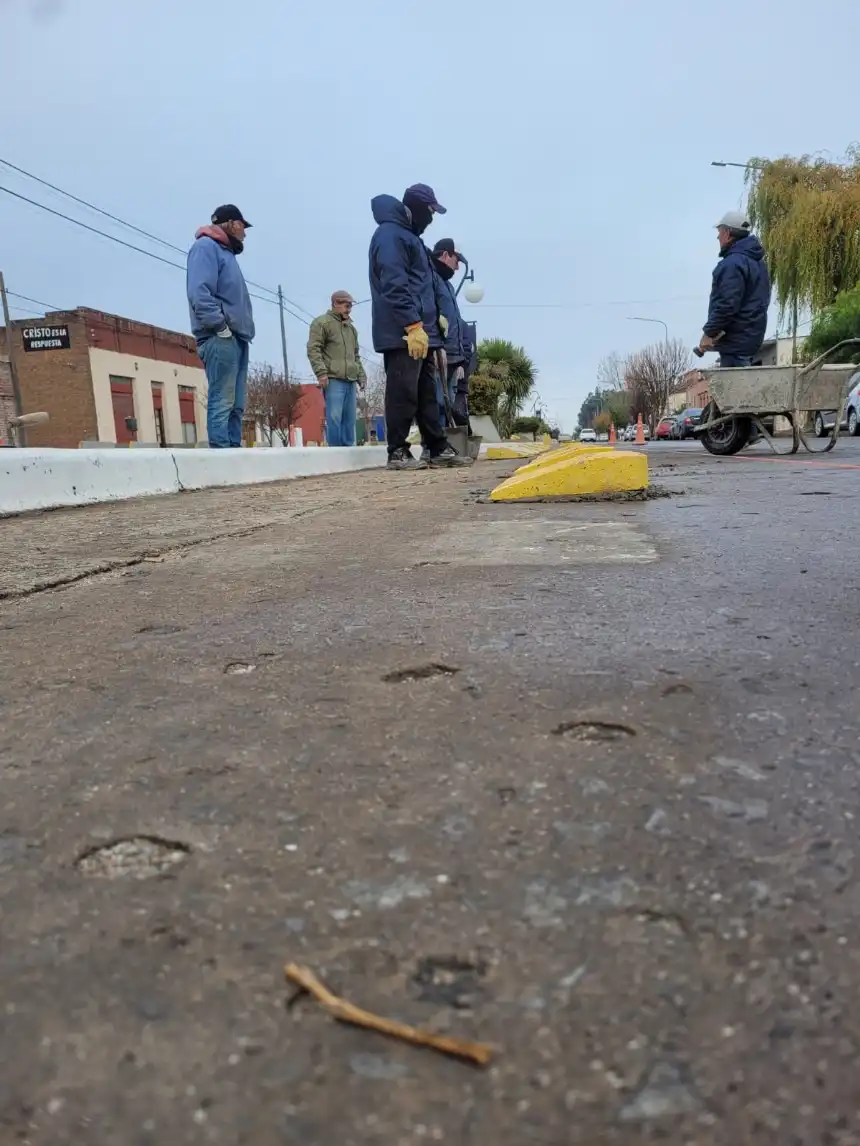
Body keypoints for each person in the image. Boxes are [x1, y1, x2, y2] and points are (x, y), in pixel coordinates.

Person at [368, 183, 471, 470]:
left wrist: (432, 323)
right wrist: (412, 324)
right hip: (403, 331)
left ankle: (436, 446)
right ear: (415, 207)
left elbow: (424, 283)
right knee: (403, 390)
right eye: (430, 211)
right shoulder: (391, 236)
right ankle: (397, 450)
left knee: (428, 393)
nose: (432, 218)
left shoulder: (410, 238)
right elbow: (394, 283)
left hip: (422, 333)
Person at [186, 204, 255, 449]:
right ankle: (222, 459)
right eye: (242, 226)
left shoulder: (226, 253)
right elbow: (199, 293)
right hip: (220, 336)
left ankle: (234, 456)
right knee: (223, 400)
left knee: (236, 404)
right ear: (231, 223)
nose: (244, 233)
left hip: (237, 337)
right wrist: (219, 326)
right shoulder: (205, 248)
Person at [698, 210, 770, 367]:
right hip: (751, 339)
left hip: (736, 343)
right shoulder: (759, 265)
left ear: (728, 233)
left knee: (736, 389)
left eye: (719, 232)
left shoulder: (731, 265)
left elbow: (727, 305)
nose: (717, 237)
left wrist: (709, 333)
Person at [422, 238, 470, 458]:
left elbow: (453, 321)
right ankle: (432, 449)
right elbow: (430, 316)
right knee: (436, 403)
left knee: (448, 405)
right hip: (438, 352)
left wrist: (460, 359)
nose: (458, 267)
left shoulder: (447, 284)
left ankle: (445, 449)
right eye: (455, 260)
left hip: (452, 356)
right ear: (444, 255)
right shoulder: (430, 278)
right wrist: (436, 346)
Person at [307, 291, 366, 447]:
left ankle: (348, 452)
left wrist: (361, 375)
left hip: (351, 380)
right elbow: (314, 349)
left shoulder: (351, 330)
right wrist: (321, 373)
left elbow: (356, 355)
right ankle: (336, 452)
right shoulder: (321, 323)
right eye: (346, 305)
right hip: (333, 379)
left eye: (351, 306)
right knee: (334, 418)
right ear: (335, 304)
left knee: (350, 419)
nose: (349, 309)